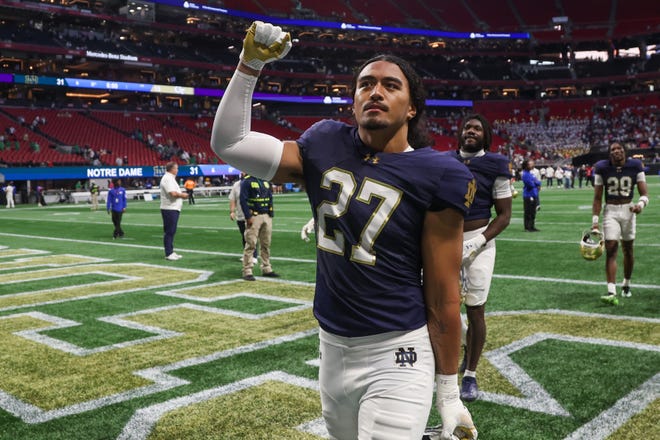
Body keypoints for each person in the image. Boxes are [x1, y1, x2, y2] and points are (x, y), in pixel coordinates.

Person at [210, 21, 477, 440]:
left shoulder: (438, 172)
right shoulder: (324, 143)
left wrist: (447, 392)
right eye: (365, 84)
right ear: (353, 101)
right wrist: (249, 65)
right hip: (332, 348)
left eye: (391, 85)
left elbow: (443, 291)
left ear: (412, 107)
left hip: (398, 348)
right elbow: (230, 144)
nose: (376, 92)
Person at [449, 114, 512, 402]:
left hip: (480, 242)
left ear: (485, 136)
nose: (470, 131)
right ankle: (465, 345)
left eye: (477, 128)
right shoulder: (446, 159)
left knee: (475, 309)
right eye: (467, 127)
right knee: (439, 305)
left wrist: (478, 241)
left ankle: (471, 374)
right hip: (446, 242)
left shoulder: (496, 163)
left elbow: (505, 215)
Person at [591, 142, 649, 305]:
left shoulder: (636, 165)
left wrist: (641, 205)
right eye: (613, 150)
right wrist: (595, 222)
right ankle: (611, 291)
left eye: (619, 148)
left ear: (624, 151)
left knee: (628, 250)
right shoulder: (602, 167)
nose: (616, 151)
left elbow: (644, 193)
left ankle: (626, 284)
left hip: (629, 209)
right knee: (611, 248)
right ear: (609, 154)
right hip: (610, 210)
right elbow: (597, 197)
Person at [239, 174, 279, 281]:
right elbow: (243, 199)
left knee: (266, 244)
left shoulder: (265, 180)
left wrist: (271, 213)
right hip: (254, 216)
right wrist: (248, 216)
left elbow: (270, 196)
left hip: (266, 215)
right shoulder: (246, 181)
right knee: (251, 244)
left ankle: (266, 268)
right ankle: (247, 270)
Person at [159, 161, 189, 260]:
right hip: (169, 208)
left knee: (171, 231)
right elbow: (172, 193)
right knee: (169, 231)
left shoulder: (170, 178)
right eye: (176, 168)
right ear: (172, 169)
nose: (177, 170)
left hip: (172, 208)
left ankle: (170, 251)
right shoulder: (168, 178)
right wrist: (182, 195)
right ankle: (168, 253)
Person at [228, 173, 258, 265]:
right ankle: (247, 255)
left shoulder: (253, 184)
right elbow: (232, 199)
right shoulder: (236, 185)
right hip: (240, 215)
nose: (242, 173)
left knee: (252, 236)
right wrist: (232, 211)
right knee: (244, 236)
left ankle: (254, 256)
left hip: (251, 214)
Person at [522, 159, 542, 232]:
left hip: (533, 194)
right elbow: (530, 184)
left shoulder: (529, 174)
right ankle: (527, 227)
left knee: (533, 212)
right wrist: (535, 183)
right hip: (528, 195)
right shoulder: (525, 174)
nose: (531, 165)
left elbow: (538, 182)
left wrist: (536, 183)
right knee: (528, 212)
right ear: (526, 166)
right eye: (529, 164)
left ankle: (532, 226)